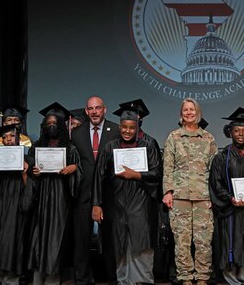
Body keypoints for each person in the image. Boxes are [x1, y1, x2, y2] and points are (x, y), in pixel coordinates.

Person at [92, 106, 162, 284]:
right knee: (119, 246)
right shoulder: (109, 147)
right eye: (124, 127)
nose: (127, 131)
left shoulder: (148, 145)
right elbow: (99, 177)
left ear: (137, 128)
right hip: (116, 205)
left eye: (132, 127)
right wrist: (97, 204)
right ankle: (123, 281)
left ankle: (143, 281)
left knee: (141, 245)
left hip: (141, 204)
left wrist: (137, 175)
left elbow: (157, 173)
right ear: (120, 126)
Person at [162, 98, 218, 285]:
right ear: (181, 113)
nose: (188, 113)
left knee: (203, 240)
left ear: (198, 112)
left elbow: (214, 170)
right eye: (185, 110)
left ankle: (202, 277)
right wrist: (168, 192)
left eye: (192, 110)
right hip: (180, 196)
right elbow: (168, 166)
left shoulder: (208, 138)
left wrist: (213, 196)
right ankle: (185, 277)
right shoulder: (174, 137)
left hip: (203, 196)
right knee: (182, 241)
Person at [209, 107, 244, 285]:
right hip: (231, 212)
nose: (240, 134)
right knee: (231, 243)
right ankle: (232, 279)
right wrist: (230, 198)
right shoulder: (222, 157)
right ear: (230, 133)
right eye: (237, 131)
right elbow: (216, 184)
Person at [28, 102, 83, 285]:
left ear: (61, 125)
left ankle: (53, 280)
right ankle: (37, 280)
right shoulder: (36, 147)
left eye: (55, 123)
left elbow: (78, 177)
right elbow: (28, 176)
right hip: (41, 202)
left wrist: (73, 168)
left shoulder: (71, 149)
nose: (52, 126)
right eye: (48, 123)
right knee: (38, 241)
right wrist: (32, 173)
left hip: (61, 202)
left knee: (56, 243)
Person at [70, 96, 120, 285]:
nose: (94, 112)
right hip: (83, 195)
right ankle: (82, 279)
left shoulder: (115, 130)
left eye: (98, 108)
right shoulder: (76, 133)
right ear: (86, 111)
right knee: (81, 242)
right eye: (91, 108)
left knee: (109, 242)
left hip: (109, 195)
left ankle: (112, 279)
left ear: (104, 109)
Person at [0, 124, 34, 285]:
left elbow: (30, 189)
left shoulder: (27, 160)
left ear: (19, 138)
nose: (8, 139)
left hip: (15, 207)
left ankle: (12, 280)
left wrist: (25, 173)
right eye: (5, 137)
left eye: (11, 136)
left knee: (12, 243)